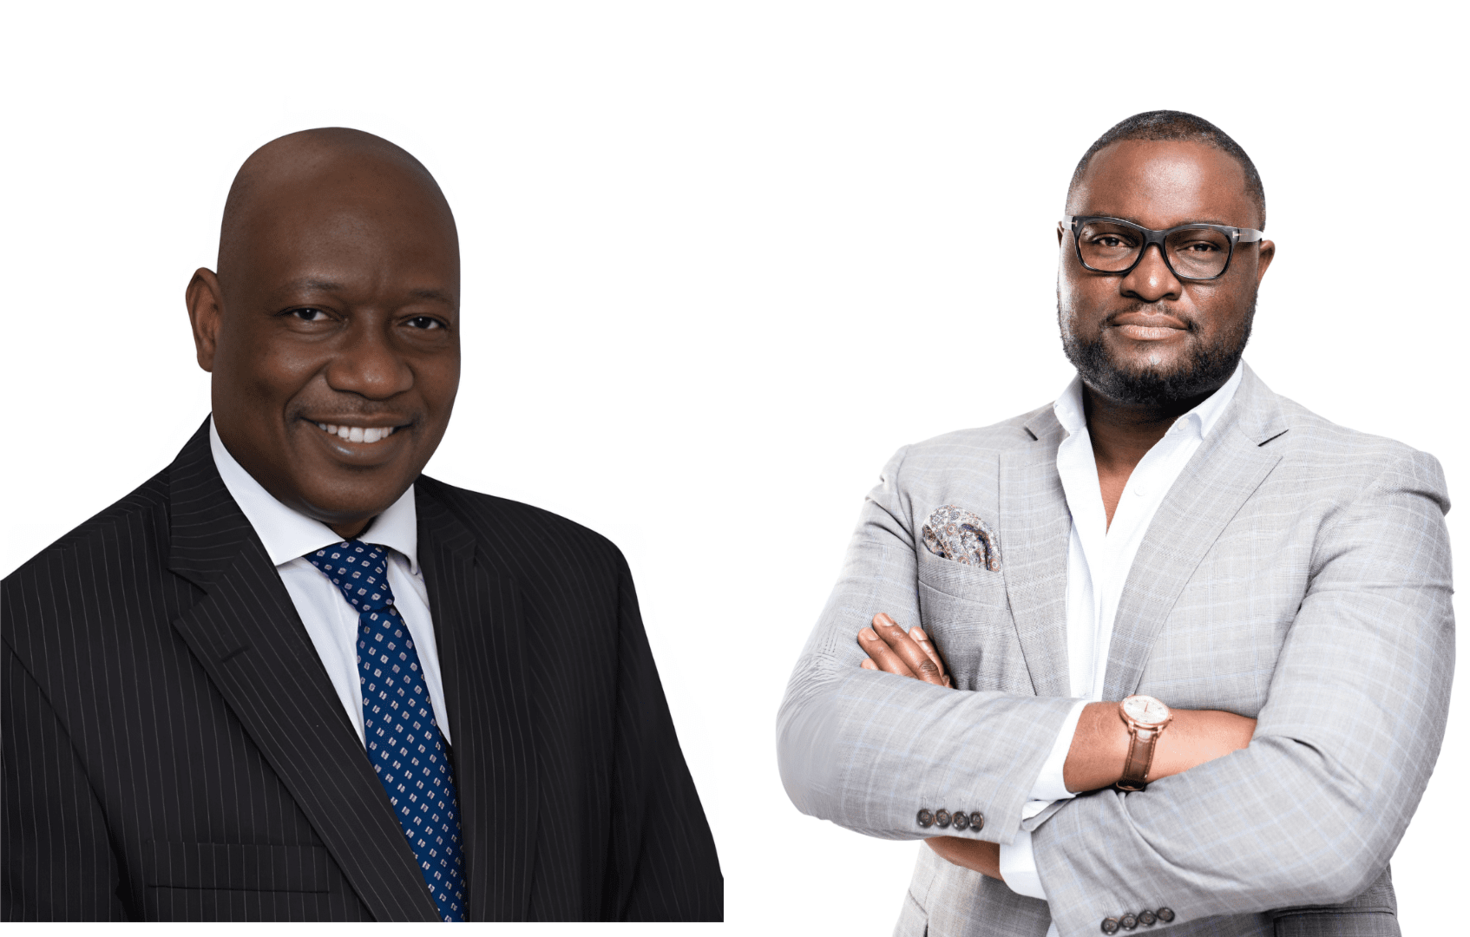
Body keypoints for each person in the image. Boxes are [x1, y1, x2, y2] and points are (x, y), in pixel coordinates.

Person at [1, 128, 722, 922]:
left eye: (421, 323)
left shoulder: (576, 586)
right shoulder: (40, 642)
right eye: (312, 313)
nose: (375, 374)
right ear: (211, 322)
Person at [776, 111, 1452, 937]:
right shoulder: (931, 478)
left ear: (1257, 263)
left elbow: (1327, 817)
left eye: (1199, 245)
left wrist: (992, 829)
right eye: (1111, 239)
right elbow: (819, 740)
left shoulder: (1371, 490)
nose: (1151, 280)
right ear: (1063, 248)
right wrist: (1143, 739)